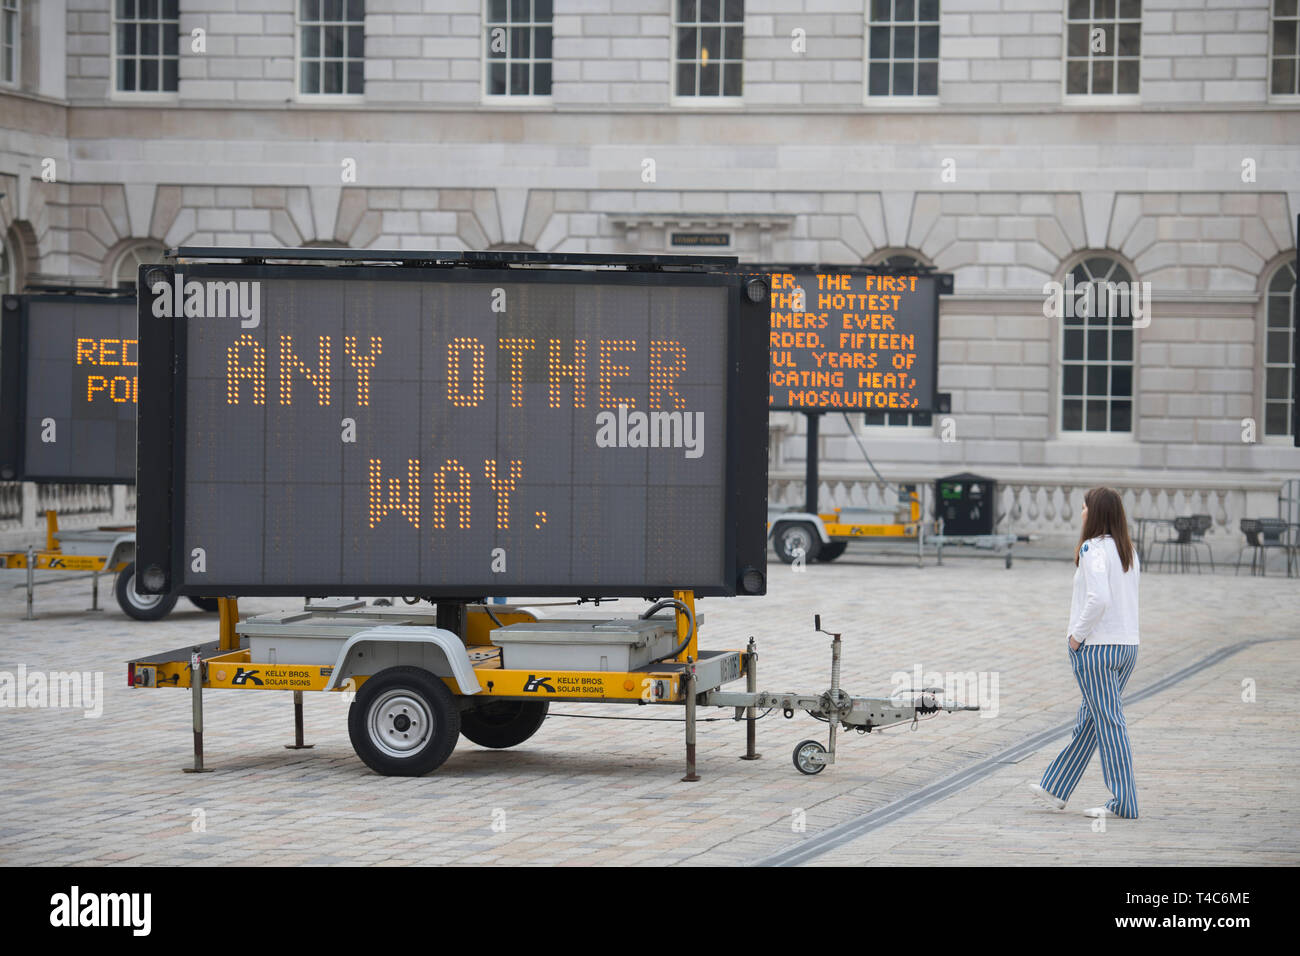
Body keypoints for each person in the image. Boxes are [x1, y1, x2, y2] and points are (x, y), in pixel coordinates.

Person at [1028, 486, 1141, 819]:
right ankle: (1056, 786)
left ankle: (1125, 803)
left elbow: (1099, 599)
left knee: (1109, 723)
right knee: (1091, 721)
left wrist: (1076, 636)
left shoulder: (1093, 549)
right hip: (1127, 648)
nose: (1081, 513)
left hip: (1097, 650)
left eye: (1083, 507)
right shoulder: (1129, 550)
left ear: (1095, 513)